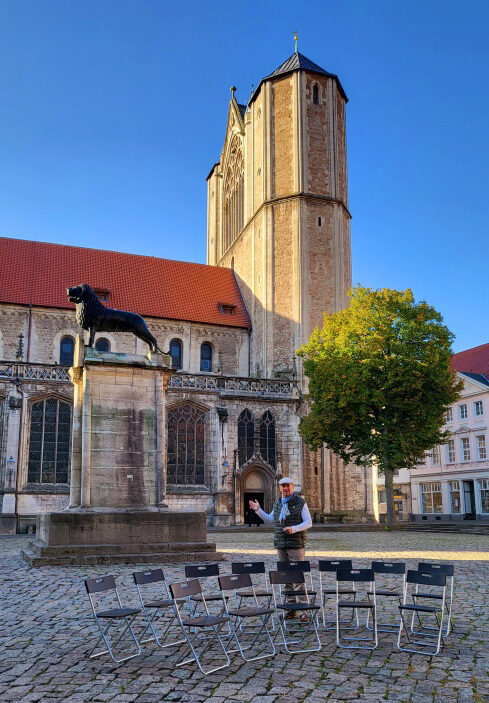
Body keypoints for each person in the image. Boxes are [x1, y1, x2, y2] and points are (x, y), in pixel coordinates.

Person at [249, 476, 312, 618]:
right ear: (279, 488)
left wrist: (294, 529)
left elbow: (308, 522)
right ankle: (291, 608)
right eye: (282, 486)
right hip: (280, 545)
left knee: (297, 577)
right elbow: (271, 519)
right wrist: (258, 510)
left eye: (287, 486)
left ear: (292, 487)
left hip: (296, 545)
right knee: (286, 578)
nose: (285, 488)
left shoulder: (300, 503)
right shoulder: (278, 503)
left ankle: (304, 611)